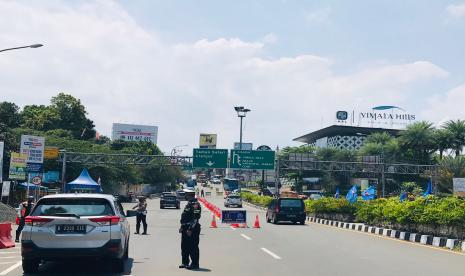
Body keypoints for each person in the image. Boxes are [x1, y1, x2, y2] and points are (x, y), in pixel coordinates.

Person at [179, 197, 202, 270]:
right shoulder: (188, 204)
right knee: (184, 246)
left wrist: (190, 229)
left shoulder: (196, 204)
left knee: (193, 246)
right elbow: (184, 217)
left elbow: (196, 218)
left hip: (193, 228)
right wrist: (182, 226)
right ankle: (185, 262)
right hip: (185, 227)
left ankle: (195, 264)